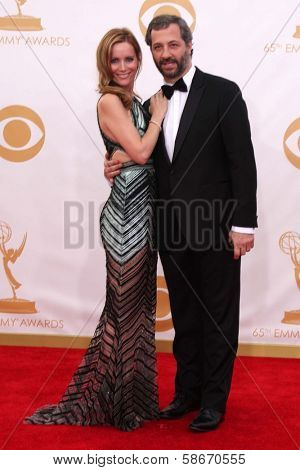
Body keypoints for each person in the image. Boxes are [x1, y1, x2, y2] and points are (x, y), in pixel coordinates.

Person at [105, 15, 257, 432]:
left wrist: (244, 225)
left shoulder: (223, 92)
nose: (165, 55)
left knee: (217, 316)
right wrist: (116, 162)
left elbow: (241, 162)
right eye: (157, 47)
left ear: (189, 45)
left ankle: (213, 402)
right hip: (170, 230)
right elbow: (148, 158)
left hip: (216, 227)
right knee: (186, 317)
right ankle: (187, 393)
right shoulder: (154, 101)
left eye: (173, 45)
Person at [25, 28, 167, 431]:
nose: (123, 66)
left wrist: (121, 157)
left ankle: (130, 399)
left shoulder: (132, 101)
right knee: (121, 314)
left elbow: (136, 156)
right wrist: (155, 119)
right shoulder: (110, 100)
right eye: (115, 60)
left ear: (138, 60)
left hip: (144, 215)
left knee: (135, 313)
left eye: (129, 58)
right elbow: (140, 152)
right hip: (125, 220)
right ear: (106, 65)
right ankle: (114, 405)